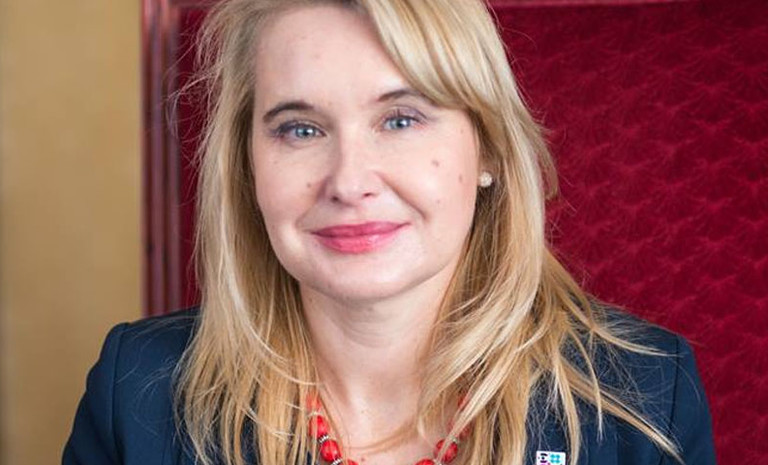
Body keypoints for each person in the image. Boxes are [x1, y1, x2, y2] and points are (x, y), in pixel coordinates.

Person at [63, 0, 716, 464]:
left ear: (488, 149)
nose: (349, 182)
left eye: (401, 119)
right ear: (247, 167)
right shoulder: (137, 392)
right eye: (300, 129)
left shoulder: (643, 399)